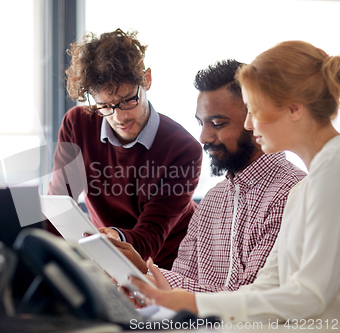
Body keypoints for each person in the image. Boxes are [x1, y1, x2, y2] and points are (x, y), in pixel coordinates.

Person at [131, 40, 340, 321]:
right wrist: (176, 298)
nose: (250, 125)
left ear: (294, 109)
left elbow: (309, 296)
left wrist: (194, 303)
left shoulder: (331, 172)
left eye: (255, 109)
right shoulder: (304, 190)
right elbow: (266, 286)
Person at [111, 59, 306, 293]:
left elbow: (252, 302)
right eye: (201, 123)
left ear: (256, 118)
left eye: (217, 123)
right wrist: (142, 278)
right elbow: (184, 283)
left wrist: (145, 272)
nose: (203, 137)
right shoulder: (212, 201)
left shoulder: (292, 193)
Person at [48, 29, 203, 269]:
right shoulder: (77, 124)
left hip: (172, 265)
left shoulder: (183, 149)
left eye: (128, 100)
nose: (120, 117)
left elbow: (149, 238)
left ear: (147, 80)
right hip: (109, 254)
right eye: (105, 106)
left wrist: (112, 238)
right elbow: (59, 204)